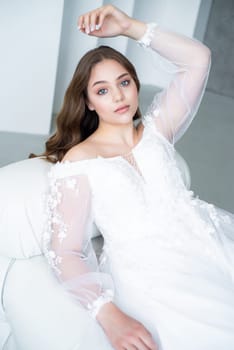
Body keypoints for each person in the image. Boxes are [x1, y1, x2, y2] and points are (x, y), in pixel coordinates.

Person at [43, 4, 234, 350]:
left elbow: (198, 59)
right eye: (102, 90)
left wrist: (130, 26)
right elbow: (66, 250)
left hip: (211, 246)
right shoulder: (78, 161)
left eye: (124, 82)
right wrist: (108, 313)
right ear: (87, 102)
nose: (118, 96)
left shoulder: (157, 130)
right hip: (154, 275)